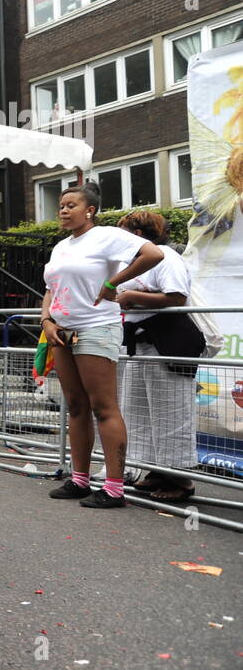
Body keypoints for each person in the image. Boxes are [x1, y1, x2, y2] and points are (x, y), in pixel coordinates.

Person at [41, 181, 163, 508]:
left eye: (71, 205)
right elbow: (50, 290)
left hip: (97, 327)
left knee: (103, 407)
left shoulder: (107, 235)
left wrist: (113, 283)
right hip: (62, 332)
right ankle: (80, 480)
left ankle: (114, 488)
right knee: (75, 405)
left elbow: (153, 253)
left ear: (90, 210)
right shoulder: (61, 246)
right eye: (61, 206)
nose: (63, 210)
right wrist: (46, 321)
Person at [115, 210, 202, 503]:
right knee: (139, 409)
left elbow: (177, 296)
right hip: (141, 343)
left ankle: (180, 478)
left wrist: (133, 297)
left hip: (168, 342)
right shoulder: (134, 262)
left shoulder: (166, 256)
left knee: (170, 409)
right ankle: (154, 470)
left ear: (137, 236)